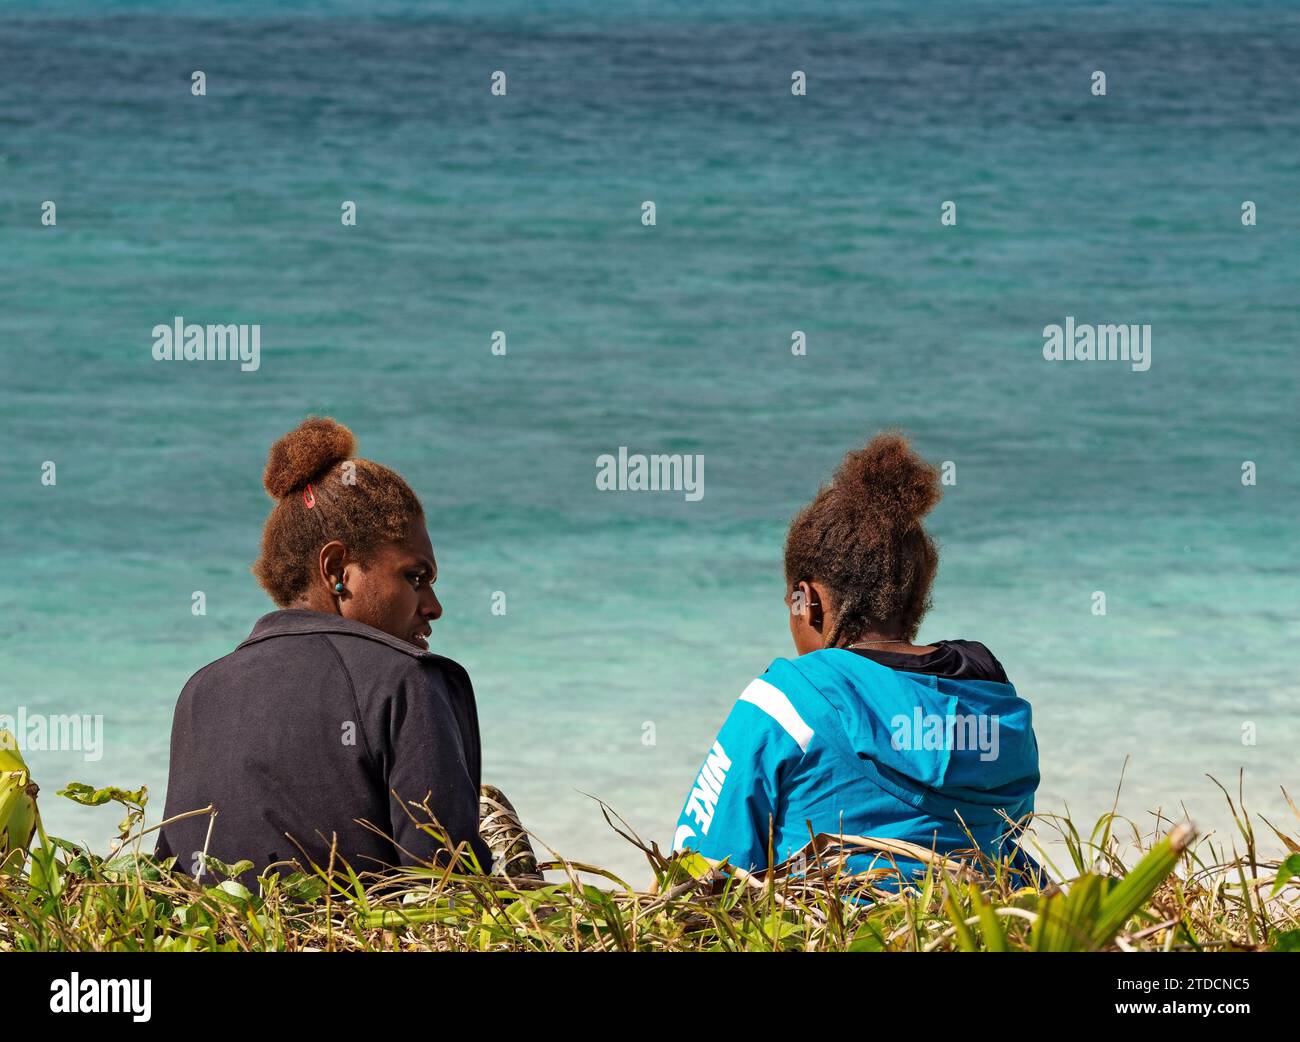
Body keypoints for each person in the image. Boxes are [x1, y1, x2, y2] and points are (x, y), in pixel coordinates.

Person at [671, 432, 1041, 886]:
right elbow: (1013, 823)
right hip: (990, 914)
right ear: (917, 599)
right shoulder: (991, 697)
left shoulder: (787, 699)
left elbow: (697, 867)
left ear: (808, 601)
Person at [154, 417, 493, 887]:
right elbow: (446, 887)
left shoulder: (200, 690)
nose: (433, 607)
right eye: (415, 577)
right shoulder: (407, 680)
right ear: (337, 569)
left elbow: (174, 880)